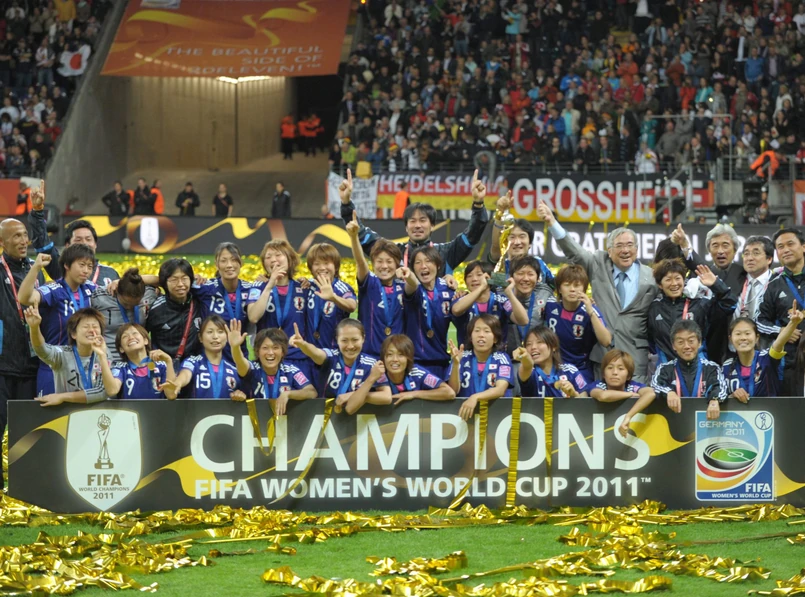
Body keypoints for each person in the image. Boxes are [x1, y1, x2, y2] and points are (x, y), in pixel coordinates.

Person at [538, 201, 658, 382]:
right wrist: (552, 223)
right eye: (619, 246)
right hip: (602, 356)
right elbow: (575, 252)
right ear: (609, 250)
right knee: (600, 400)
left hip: (635, 357)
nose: (625, 250)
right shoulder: (598, 264)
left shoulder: (651, 277)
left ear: (637, 249)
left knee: (636, 399)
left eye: (630, 245)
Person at [340, 168, 489, 276]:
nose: (417, 225)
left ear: (432, 226)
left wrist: (478, 204)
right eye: (412, 221)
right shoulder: (393, 252)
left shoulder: (446, 253)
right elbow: (359, 233)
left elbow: (472, 234)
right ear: (406, 227)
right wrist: (346, 203)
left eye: (423, 220)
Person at [18, 247, 98, 395]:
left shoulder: (90, 289)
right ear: (66, 265)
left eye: (90, 266)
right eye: (81, 265)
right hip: (53, 366)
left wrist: (115, 283)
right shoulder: (54, 289)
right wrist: (36, 268)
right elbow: (24, 298)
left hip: (84, 367)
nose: (86, 271)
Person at [0, 216, 42, 479]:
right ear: (2, 242)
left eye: (25, 234)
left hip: (31, 363)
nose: (23, 240)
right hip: (2, 364)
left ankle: (25, 484)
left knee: (27, 430)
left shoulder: (35, 270)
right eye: (16, 236)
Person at [670, 223, 746, 363]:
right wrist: (683, 244)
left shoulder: (744, 274)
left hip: (740, 343)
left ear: (735, 249)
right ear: (709, 250)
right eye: (715, 246)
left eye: (725, 245)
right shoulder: (699, 276)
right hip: (709, 344)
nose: (720, 251)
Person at [648, 259, 737, 363]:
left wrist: (716, 284)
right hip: (667, 369)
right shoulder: (654, 308)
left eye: (677, 278)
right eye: (668, 279)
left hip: (698, 367)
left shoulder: (699, 304)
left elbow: (730, 305)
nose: (674, 283)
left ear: (684, 280)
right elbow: (651, 340)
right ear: (660, 284)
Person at [28, 185, 119, 285]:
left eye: (88, 239)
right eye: (78, 240)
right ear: (68, 246)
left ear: (95, 244)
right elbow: (43, 245)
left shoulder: (111, 274)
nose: (84, 243)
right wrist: (37, 211)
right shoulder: (62, 269)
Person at [246, 240, 311, 378]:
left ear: (290, 259)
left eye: (278, 255)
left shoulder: (303, 288)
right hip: (268, 359)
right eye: (268, 257)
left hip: (298, 358)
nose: (273, 260)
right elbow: (253, 317)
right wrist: (269, 285)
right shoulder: (258, 287)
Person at [26, 306, 114, 406]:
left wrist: (62, 397)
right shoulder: (62, 354)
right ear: (73, 334)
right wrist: (34, 328)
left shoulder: (104, 353)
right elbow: (41, 350)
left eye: (95, 327)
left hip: (97, 412)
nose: (91, 330)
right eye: (86, 327)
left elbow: (104, 391)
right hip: (66, 412)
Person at [289, 319, 390, 407]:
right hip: (325, 416)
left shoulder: (371, 364)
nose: (350, 346)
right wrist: (303, 344)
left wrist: (354, 395)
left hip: (358, 417)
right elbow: (315, 352)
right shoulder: (331, 357)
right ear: (337, 340)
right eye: (344, 340)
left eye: (355, 340)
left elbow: (386, 396)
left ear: (363, 338)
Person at [347, 212, 405, 357]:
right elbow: (360, 262)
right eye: (379, 261)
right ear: (373, 264)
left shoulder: (405, 287)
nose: (384, 266)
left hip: (396, 356)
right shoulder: (369, 283)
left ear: (397, 264)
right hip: (369, 356)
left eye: (389, 261)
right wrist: (354, 237)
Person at [542, 264, 613, 380]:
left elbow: (606, 341)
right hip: (554, 367)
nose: (572, 289)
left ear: (584, 289)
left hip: (581, 369)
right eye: (567, 285)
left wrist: (591, 313)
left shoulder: (590, 310)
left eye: (577, 285)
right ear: (559, 289)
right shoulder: (550, 305)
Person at [229, 322, 316, 413]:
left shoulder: (290, 370)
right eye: (265, 348)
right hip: (254, 420)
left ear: (283, 352)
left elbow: (312, 392)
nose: (270, 352)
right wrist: (235, 347)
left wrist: (288, 394)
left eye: (275, 348)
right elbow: (240, 361)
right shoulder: (252, 369)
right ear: (257, 351)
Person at [758, 228, 805, 394]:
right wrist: (782, 331)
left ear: (803, 247)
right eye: (780, 247)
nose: (785, 250)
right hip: (789, 364)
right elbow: (759, 321)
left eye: (790, 244)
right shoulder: (773, 285)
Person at [651, 320, 727, 419]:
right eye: (680, 342)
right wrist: (669, 392)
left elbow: (721, 387)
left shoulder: (712, 368)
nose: (686, 346)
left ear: (699, 343)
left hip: (703, 422)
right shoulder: (664, 369)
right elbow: (655, 385)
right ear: (673, 346)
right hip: (673, 422)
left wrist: (715, 400)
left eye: (691, 341)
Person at [399, 247, 455, 378]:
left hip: (441, 362)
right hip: (415, 363)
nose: (423, 266)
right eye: (418, 262)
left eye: (428, 261)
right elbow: (412, 284)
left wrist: (461, 293)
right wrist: (409, 275)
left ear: (438, 265)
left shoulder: (448, 289)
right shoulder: (412, 288)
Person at [723, 311, 804, 401]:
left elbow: (779, 343)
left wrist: (793, 323)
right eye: (738, 334)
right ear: (730, 339)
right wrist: (732, 397)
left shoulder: (766, 358)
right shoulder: (726, 367)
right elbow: (722, 398)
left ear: (757, 338)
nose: (743, 338)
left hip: (769, 410)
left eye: (747, 333)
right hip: (738, 410)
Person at [192, 242, 253, 361]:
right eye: (224, 261)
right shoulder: (205, 288)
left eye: (233, 260)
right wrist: (193, 278)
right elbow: (171, 281)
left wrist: (266, 281)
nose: (229, 265)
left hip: (239, 358)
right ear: (217, 264)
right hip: (210, 360)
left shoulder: (251, 290)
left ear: (241, 262)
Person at [448, 314, 514, 421]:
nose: (481, 335)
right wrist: (456, 364)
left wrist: (475, 397)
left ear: (495, 339)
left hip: (496, 416)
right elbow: (453, 390)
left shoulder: (502, 358)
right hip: (464, 416)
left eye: (487, 331)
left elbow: (500, 389)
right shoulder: (461, 357)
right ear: (471, 337)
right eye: (477, 330)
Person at [164, 315, 245, 400]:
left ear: (227, 337)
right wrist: (178, 383)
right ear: (200, 337)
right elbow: (186, 374)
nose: (215, 336)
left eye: (220, 332)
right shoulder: (192, 362)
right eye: (210, 332)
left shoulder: (234, 370)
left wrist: (240, 395)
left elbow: (244, 392)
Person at [451, 260, 528, 347]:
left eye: (479, 275)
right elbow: (456, 310)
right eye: (469, 276)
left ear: (490, 279)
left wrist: (510, 293)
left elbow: (523, 320)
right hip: (468, 354)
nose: (474, 279)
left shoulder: (501, 301)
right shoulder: (461, 299)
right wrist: (482, 287)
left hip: (497, 354)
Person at [90, 267, 158, 361]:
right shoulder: (100, 297)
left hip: (140, 359)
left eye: (135, 304)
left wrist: (132, 279)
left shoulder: (149, 295)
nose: (130, 307)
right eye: (126, 303)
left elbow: (165, 280)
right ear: (117, 292)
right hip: (110, 360)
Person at [489, 192, 555, 287]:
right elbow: (496, 246)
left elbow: (556, 287)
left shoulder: (539, 264)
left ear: (530, 243)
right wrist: (500, 213)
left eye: (522, 236)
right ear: (505, 243)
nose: (517, 242)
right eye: (512, 237)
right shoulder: (500, 267)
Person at [144, 258, 201, 367]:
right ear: (164, 283)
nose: (180, 284)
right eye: (174, 280)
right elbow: (142, 336)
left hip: (194, 367)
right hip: (163, 368)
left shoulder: (200, 301)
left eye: (184, 278)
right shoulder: (156, 309)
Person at [587, 350, 656, 436]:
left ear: (628, 376)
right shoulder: (597, 385)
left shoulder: (633, 386)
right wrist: (631, 394)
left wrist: (628, 416)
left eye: (620, 369)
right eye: (610, 368)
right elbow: (603, 396)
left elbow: (650, 393)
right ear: (603, 374)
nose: (615, 372)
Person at [304, 242, 357, 351]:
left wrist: (333, 297)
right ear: (310, 267)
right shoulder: (308, 286)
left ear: (336, 266)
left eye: (326, 263)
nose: (322, 268)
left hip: (334, 353)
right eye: (317, 264)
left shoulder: (341, 288)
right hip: (309, 353)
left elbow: (352, 306)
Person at [514, 325, 590, 398]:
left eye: (539, 342)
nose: (533, 347)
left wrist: (574, 394)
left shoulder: (570, 371)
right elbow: (527, 366)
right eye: (528, 344)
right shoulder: (529, 372)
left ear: (554, 346)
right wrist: (524, 357)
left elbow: (585, 402)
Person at [106, 324, 175, 399]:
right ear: (121, 349)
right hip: (129, 407)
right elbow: (112, 391)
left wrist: (169, 361)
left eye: (135, 333)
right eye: (125, 336)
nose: (131, 337)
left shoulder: (161, 366)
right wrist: (103, 356)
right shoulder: (120, 368)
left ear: (146, 340)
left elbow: (171, 395)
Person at [507, 256, 555, 353]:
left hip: (537, 353)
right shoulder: (502, 295)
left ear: (538, 278)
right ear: (511, 276)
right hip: (508, 355)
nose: (526, 279)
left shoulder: (545, 294)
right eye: (520, 273)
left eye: (530, 274)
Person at [734, 236, 775, 322]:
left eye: (756, 253)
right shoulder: (735, 280)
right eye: (746, 254)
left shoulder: (777, 283)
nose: (750, 258)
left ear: (769, 259)